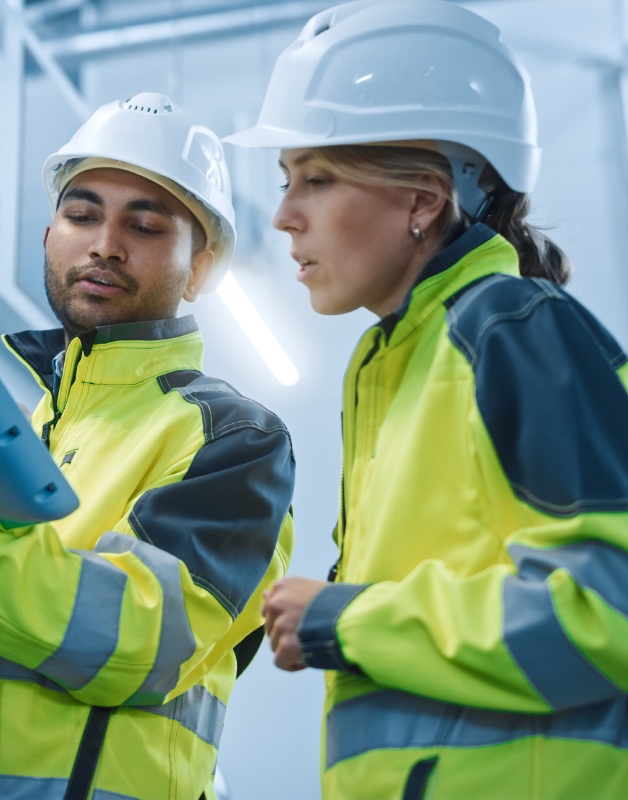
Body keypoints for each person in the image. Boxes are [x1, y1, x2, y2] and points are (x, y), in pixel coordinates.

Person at [0, 92, 295, 800]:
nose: (105, 243)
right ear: (49, 237)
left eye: (144, 225)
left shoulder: (232, 438)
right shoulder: (12, 426)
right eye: (81, 216)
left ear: (199, 269)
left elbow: (136, 645)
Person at [225, 1, 628, 798]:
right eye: (285, 180)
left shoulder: (514, 332)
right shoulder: (395, 364)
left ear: (423, 200)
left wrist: (348, 620)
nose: (283, 214)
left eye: (318, 178)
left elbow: (607, 608)